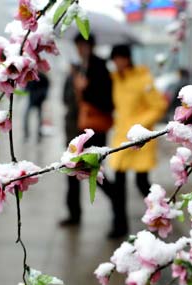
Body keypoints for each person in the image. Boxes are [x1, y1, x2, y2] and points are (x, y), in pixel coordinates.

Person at [60, 34, 121, 236]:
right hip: (73, 129)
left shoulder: (101, 68)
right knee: (71, 172)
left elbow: (107, 102)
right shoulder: (76, 68)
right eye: (79, 45)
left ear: (92, 46)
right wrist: (76, 88)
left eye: (85, 45)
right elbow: (65, 98)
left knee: (97, 175)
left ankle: (118, 215)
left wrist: (86, 90)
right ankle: (74, 214)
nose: (81, 49)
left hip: (93, 131)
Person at [109, 44, 167, 237]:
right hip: (121, 139)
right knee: (119, 186)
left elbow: (159, 106)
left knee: (142, 183)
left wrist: (139, 125)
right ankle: (119, 226)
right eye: (115, 59)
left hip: (140, 139)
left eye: (121, 58)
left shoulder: (144, 79)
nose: (119, 62)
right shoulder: (116, 79)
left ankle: (161, 213)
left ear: (128, 58)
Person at [24, 71, 50, 142]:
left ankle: (39, 134)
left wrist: (43, 96)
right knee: (26, 117)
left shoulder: (43, 76)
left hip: (38, 100)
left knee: (39, 118)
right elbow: (26, 86)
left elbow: (46, 87)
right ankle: (27, 134)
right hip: (32, 99)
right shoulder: (31, 76)